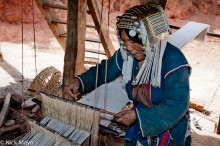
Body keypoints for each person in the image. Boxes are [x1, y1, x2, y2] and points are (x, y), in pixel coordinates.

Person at [65, 3, 191, 146]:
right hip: (141, 119)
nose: (128, 48)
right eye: (124, 41)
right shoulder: (127, 56)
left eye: (132, 41)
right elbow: (104, 71)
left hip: (168, 127)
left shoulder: (174, 62)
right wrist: (80, 82)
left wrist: (138, 116)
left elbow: (177, 105)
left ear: (149, 39)